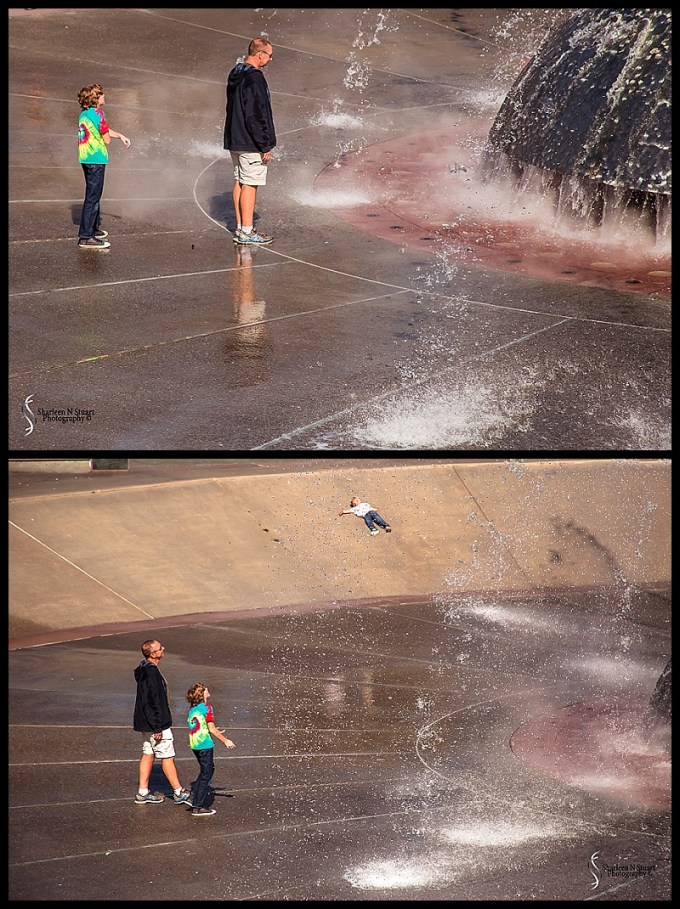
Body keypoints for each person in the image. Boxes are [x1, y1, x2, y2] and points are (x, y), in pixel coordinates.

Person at [223, 37, 276, 246]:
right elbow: (256, 114)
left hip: (235, 138)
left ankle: (240, 227)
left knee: (239, 180)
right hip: (249, 141)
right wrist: (266, 144)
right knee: (251, 184)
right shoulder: (255, 78)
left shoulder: (236, 72)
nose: (270, 60)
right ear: (260, 54)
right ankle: (246, 232)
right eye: (269, 55)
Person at [133, 639, 191, 805]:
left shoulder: (145, 670)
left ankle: (142, 792)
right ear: (153, 654)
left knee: (148, 753)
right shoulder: (151, 673)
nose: (163, 648)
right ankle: (178, 792)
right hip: (156, 725)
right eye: (160, 648)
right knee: (167, 757)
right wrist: (157, 726)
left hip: (146, 723)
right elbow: (152, 702)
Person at [77, 83, 131, 250]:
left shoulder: (85, 114)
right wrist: (113, 136)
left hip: (85, 157)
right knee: (93, 197)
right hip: (96, 159)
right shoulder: (99, 115)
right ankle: (86, 237)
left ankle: (93, 228)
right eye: (102, 95)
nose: (104, 97)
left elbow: (103, 131)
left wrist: (121, 135)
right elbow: (106, 138)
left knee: (93, 195)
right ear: (96, 99)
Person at [186, 683, 236, 817]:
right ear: (202, 694)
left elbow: (202, 725)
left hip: (195, 745)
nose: (208, 690)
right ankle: (197, 805)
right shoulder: (207, 707)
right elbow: (212, 729)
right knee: (206, 774)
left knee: (208, 769)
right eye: (206, 689)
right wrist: (226, 740)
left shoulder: (194, 709)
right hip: (205, 745)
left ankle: (195, 792)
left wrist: (211, 729)